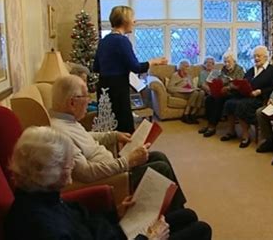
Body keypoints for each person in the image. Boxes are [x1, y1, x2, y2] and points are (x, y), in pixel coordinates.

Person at [4, 126, 212, 240]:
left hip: (112, 232)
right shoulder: (44, 227)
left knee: (188, 215)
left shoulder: (41, 196)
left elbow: (83, 221)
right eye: (67, 165)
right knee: (201, 229)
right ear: (48, 172)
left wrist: (116, 213)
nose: (72, 168)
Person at [50, 75, 186, 210]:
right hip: (113, 179)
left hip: (112, 166)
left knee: (158, 156)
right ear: (72, 103)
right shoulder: (61, 134)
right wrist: (128, 161)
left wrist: (114, 135)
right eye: (85, 96)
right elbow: (86, 173)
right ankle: (177, 214)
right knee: (161, 168)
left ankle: (179, 207)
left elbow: (87, 137)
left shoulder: (67, 121)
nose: (89, 100)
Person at [94, 5, 167, 133]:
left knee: (107, 127)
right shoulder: (122, 41)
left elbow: (96, 67)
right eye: (133, 18)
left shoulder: (103, 41)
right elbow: (136, 67)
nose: (135, 21)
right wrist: (153, 61)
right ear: (125, 20)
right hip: (118, 89)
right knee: (124, 127)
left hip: (103, 88)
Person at [221, 45, 273, 148]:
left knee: (241, 105)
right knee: (229, 103)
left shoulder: (272, 71)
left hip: (260, 99)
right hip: (247, 95)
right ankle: (231, 131)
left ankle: (246, 135)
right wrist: (236, 86)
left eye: (259, 56)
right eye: (254, 56)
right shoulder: (251, 70)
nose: (256, 58)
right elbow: (244, 82)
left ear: (266, 57)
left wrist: (260, 91)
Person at [198, 50, 245, 137]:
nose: (226, 64)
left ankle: (212, 126)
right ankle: (209, 124)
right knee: (209, 99)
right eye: (225, 62)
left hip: (233, 93)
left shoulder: (239, 69)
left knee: (218, 100)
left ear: (234, 61)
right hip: (223, 91)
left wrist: (228, 86)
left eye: (228, 62)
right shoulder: (224, 69)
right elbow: (220, 79)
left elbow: (239, 84)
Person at [167, 59, 205, 124]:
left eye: (188, 66)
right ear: (181, 67)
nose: (188, 68)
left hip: (189, 92)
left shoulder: (189, 76)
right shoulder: (176, 75)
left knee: (201, 92)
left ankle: (193, 114)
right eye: (186, 66)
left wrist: (195, 88)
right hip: (178, 93)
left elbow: (192, 87)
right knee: (195, 93)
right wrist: (185, 90)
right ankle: (186, 114)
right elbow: (170, 88)